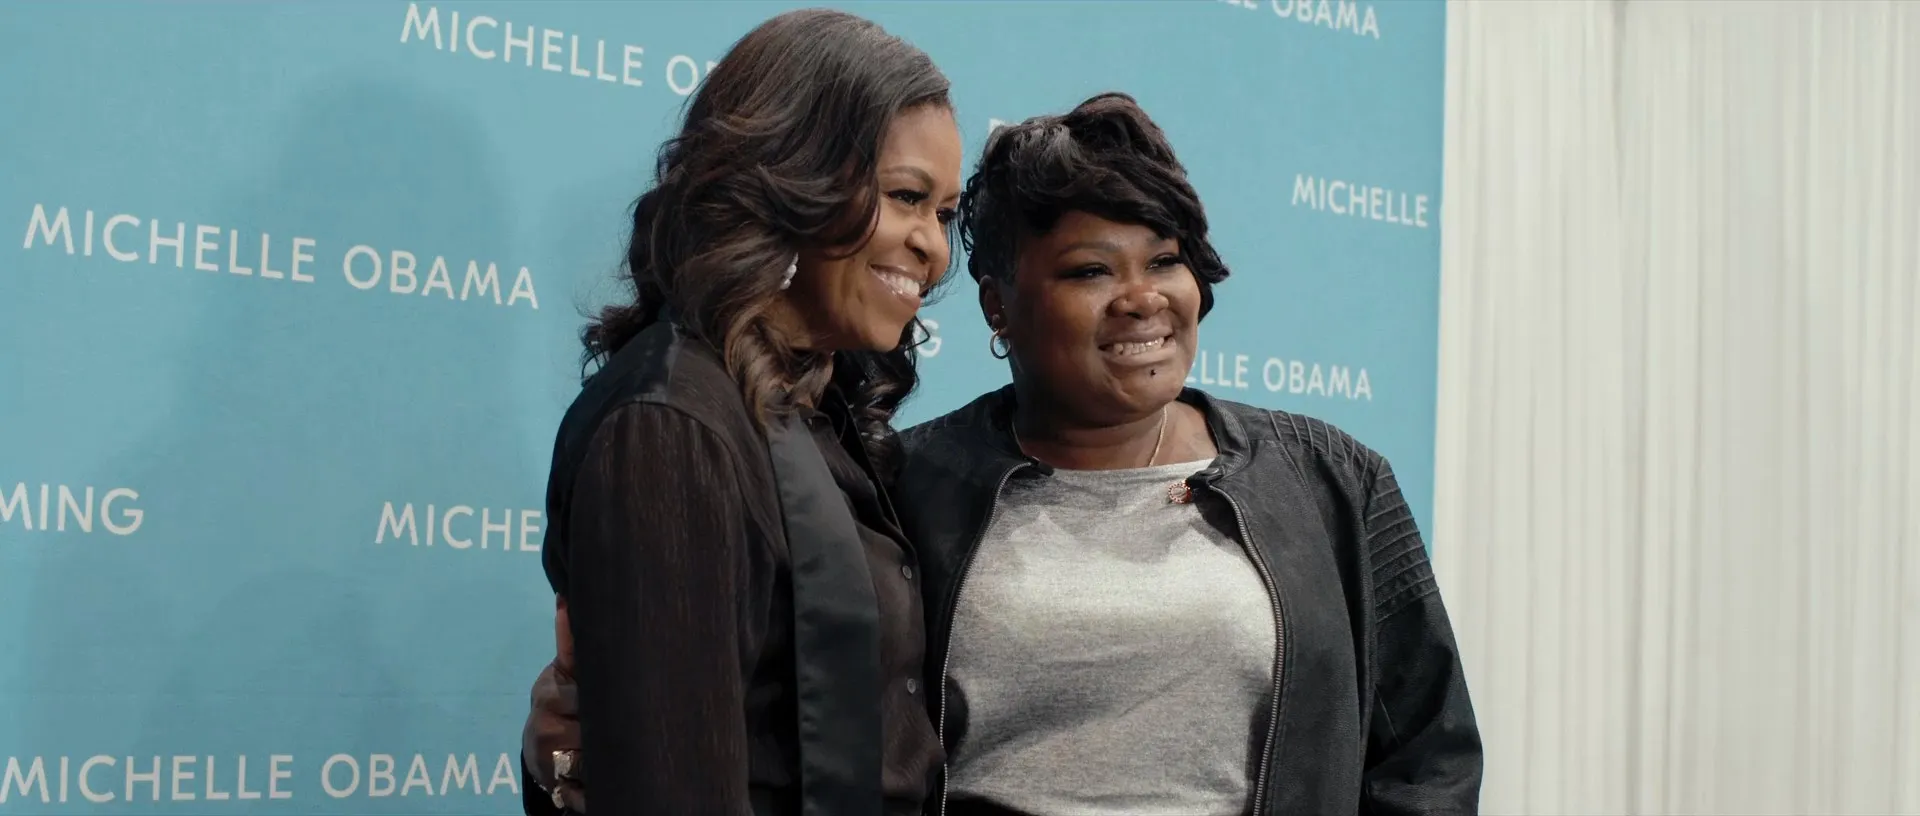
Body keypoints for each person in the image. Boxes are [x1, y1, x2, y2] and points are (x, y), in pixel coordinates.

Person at [524, 92, 1482, 816]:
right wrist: (563, 760)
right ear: (998, 305)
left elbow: (1428, 759)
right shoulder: (901, 484)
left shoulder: (1332, 482)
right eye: (1090, 270)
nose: (1142, 298)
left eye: (1166, 260)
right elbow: (768, 734)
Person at [518, 7, 963, 816]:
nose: (932, 247)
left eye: (945, 213)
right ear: (792, 177)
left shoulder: (818, 407)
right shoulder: (671, 427)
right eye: (906, 197)